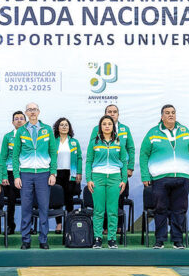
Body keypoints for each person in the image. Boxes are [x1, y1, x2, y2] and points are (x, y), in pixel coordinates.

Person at [140, 104, 189, 249]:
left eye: (173, 112)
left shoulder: (185, 131)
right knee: (161, 209)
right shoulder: (153, 133)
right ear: (162, 116)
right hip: (160, 178)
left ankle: (177, 240)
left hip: (182, 177)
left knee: (179, 210)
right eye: (167, 113)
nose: (171, 115)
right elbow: (143, 154)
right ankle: (159, 240)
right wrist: (145, 175)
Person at [13, 102, 57, 250]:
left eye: (35, 109)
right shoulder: (21, 131)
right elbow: (15, 156)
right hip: (25, 174)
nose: (32, 112)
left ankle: (43, 240)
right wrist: (16, 176)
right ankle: (25, 240)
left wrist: (53, 173)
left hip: (43, 174)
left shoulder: (47, 130)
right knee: (26, 208)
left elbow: (53, 152)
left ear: (39, 112)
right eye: (30, 110)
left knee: (44, 208)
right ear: (26, 112)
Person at [90, 104, 135, 232]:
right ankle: (104, 227)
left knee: (118, 198)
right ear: (105, 114)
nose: (112, 113)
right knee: (102, 200)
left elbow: (130, 148)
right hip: (101, 171)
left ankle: (118, 227)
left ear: (118, 114)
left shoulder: (125, 129)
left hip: (121, 169)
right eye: (109, 111)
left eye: (115, 111)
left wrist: (130, 167)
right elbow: (92, 150)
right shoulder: (96, 129)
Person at [86, 115, 127, 249]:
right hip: (97, 177)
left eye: (109, 124)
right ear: (100, 127)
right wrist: (89, 179)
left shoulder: (119, 142)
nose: (107, 126)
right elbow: (89, 162)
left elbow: (124, 162)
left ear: (113, 126)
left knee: (112, 210)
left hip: (115, 178)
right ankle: (97, 238)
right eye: (104, 124)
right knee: (98, 210)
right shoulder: (94, 142)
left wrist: (124, 180)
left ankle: (112, 239)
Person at [53, 117, 82, 234]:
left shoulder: (74, 142)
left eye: (66, 125)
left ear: (69, 128)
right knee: (57, 199)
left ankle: (69, 223)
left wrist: (79, 172)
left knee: (69, 199)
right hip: (56, 173)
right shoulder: (53, 141)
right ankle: (59, 224)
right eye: (62, 125)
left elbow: (79, 157)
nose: (64, 127)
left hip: (71, 173)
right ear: (57, 127)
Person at [1, 111, 26, 235]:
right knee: (11, 201)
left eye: (22, 118)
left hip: (26, 172)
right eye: (16, 119)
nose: (19, 120)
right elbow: (3, 158)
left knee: (29, 201)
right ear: (12, 122)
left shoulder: (30, 136)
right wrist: (4, 176)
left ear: (25, 121)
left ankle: (28, 227)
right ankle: (10, 226)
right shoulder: (8, 137)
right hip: (11, 173)